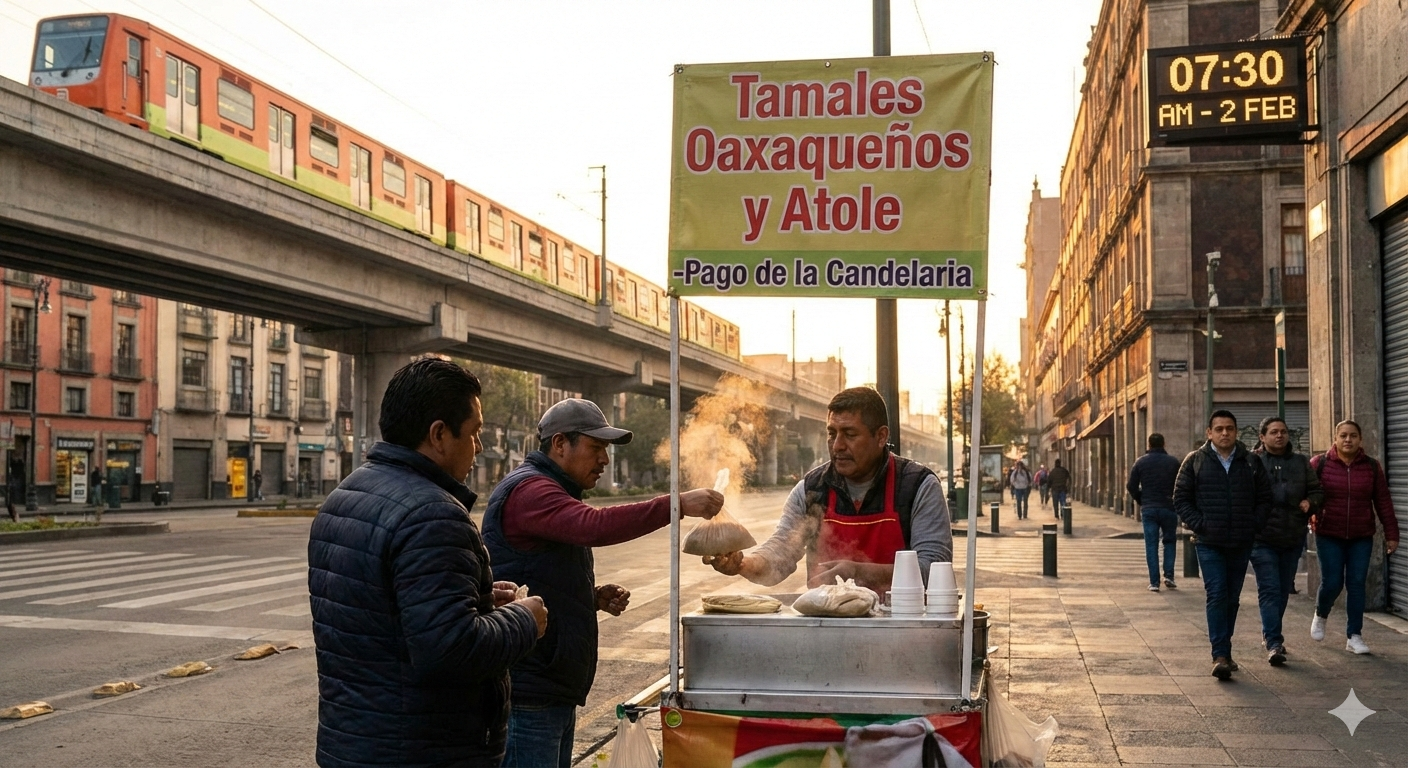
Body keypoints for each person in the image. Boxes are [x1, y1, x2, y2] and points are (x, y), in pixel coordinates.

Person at [308, 358, 547, 768]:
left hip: (353, 743)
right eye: (473, 434)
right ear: (438, 434)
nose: (478, 448)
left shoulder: (344, 496)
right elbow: (450, 651)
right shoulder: (432, 514)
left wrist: (477, 598)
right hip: (423, 750)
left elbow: (384, 614)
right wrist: (524, 620)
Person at [482, 399, 723, 768]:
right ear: (560, 444)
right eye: (596, 448)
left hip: (550, 688)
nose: (604, 461)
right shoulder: (531, 490)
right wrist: (676, 504)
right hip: (531, 693)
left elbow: (534, 576)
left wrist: (588, 597)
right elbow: (594, 526)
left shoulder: (551, 490)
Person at [706, 387, 953, 593]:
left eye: (850, 434)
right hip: (829, 627)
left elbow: (933, 569)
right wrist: (742, 564)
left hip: (902, 629)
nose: (837, 445)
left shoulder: (917, 486)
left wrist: (857, 572)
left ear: (880, 436)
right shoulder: (812, 490)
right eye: (832, 433)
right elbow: (781, 551)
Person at [1173, 409, 1271, 680]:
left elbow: (1265, 498)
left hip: (1241, 540)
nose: (1224, 433)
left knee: (1232, 598)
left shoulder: (1250, 461)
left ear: (1236, 431)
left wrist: (1253, 524)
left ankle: (1225, 650)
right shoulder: (1195, 461)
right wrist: (1201, 524)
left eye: (1229, 428)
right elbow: (1180, 498)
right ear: (1210, 433)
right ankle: (1220, 655)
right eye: (1219, 429)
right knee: (1217, 593)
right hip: (1209, 541)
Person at [1309, 419, 1399, 655]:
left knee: (1357, 583)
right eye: (1343, 436)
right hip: (1329, 533)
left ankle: (1354, 635)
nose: (1348, 440)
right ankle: (1321, 612)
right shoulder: (1320, 464)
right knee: (1332, 582)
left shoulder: (1370, 466)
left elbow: (1383, 501)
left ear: (1360, 440)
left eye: (1353, 436)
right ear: (1335, 439)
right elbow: (1308, 496)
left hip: (1361, 535)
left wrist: (1392, 534)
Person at [1251, 416, 1322, 665]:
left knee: (1282, 590)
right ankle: (1274, 642)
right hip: (1262, 538)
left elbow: (1317, 490)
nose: (1279, 435)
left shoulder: (1301, 462)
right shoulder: (1253, 462)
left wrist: (1310, 502)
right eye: (1273, 432)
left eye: (1283, 431)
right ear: (1262, 437)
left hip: (1292, 537)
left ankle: (1269, 633)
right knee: (1269, 589)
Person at [1128, 433, 1181, 593]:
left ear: (1149, 445)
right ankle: (1169, 576)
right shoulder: (1173, 463)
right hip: (1168, 507)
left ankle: (1154, 582)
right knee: (1170, 541)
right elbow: (1181, 484)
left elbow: (1131, 486)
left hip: (1149, 508)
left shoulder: (1140, 462)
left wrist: (1141, 499)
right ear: (1164, 444)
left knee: (1151, 545)